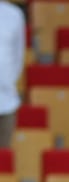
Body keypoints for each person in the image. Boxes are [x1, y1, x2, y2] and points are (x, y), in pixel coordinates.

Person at [0, 0, 24, 150]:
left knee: (3, 158)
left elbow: (18, 55)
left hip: (6, 101)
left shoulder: (14, 15)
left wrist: (6, 82)